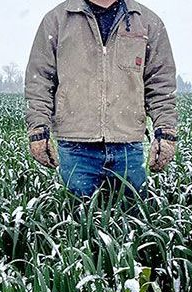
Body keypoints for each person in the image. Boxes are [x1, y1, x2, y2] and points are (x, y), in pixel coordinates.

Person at [25, 0, 178, 201]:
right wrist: (38, 131)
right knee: (78, 223)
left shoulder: (147, 22)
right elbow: (40, 81)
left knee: (131, 220)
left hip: (128, 145)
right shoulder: (57, 20)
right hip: (75, 146)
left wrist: (166, 132)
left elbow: (161, 84)